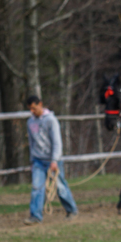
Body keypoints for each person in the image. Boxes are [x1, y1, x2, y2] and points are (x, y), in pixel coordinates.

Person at [25, 95, 78, 225]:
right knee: (37, 188)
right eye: (30, 109)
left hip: (52, 160)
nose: (32, 111)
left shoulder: (51, 121)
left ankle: (71, 210)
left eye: (34, 108)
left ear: (40, 104)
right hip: (38, 160)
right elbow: (31, 143)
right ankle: (35, 216)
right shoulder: (30, 122)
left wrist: (54, 160)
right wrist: (32, 160)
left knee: (60, 187)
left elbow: (57, 142)